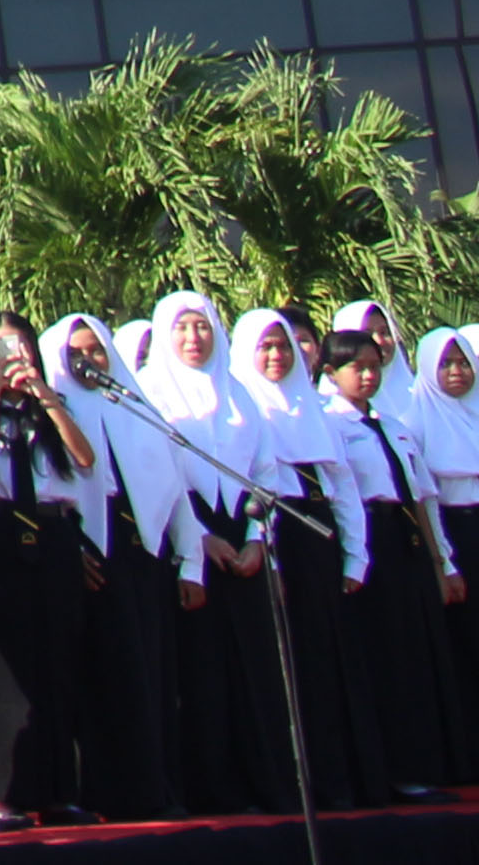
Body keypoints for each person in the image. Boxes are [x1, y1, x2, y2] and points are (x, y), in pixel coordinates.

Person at [138, 289, 287, 815]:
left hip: (243, 538)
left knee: (254, 670)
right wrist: (199, 541)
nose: (193, 338)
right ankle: (213, 790)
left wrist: (256, 542)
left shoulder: (240, 393)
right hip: (187, 541)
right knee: (202, 675)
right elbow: (159, 478)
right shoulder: (149, 391)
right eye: (181, 328)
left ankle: (263, 784)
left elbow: (266, 474)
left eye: (202, 327)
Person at [241, 307, 382, 806]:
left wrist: (354, 556)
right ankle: (300, 787)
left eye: (285, 346)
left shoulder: (314, 410)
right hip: (280, 544)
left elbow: (341, 484)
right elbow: (255, 488)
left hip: (322, 544)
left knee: (331, 665)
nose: (278, 356)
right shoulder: (247, 408)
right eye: (267, 347)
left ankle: (345, 780)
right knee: (291, 669)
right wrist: (275, 563)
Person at [49, 313, 179, 823]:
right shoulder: (56, 408)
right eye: (76, 353)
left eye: (96, 351)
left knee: (149, 675)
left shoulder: (133, 406)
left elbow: (171, 485)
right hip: (86, 555)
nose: (88, 361)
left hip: (139, 549)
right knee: (104, 678)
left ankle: (156, 787)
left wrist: (185, 557)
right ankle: (108, 794)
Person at [0, 312, 97, 828]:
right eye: (3, 350)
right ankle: (4, 792)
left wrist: (46, 399)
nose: (15, 359)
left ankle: (58, 789)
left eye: (22, 348)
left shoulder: (50, 407)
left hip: (52, 531)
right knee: (7, 669)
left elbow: (84, 459)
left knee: (57, 663)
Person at [317, 330, 454, 795]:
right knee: (384, 656)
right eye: (358, 367)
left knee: (416, 654)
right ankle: (391, 772)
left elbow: (423, 497)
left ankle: (426, 765)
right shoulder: (329, 424)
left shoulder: (390, 423)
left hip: (406, 540)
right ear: (332, 374)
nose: (369, 375)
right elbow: (343, 494)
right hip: (368, 541)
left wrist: (444, 563)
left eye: (375, 365)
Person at [413, 329, 479, 764]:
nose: (456, 372)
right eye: (446, 363)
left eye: (464, 362)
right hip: (453, 534)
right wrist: (445, 560)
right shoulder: (416, 419)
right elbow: (426, 497)